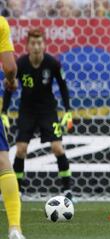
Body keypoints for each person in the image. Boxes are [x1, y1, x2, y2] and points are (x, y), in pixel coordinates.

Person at [1, 28, 74, 201]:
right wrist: (4, 111)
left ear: (44, 44)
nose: (36, 46)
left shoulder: (53, 63)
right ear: (27, 45)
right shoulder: (20, 64)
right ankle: (17, 190)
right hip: (26, 110)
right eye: (33, 43)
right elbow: (10, 86)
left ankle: (67, 188)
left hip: (48, 110)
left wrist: (68, 110)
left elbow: (63, 86)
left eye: (39, 43)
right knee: (21, 150)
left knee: (57, 147)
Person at [0, 16, 25, 239]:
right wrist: (11, 80)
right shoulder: (0, 23)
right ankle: (14, 228)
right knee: (3, 162)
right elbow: (9, 67)